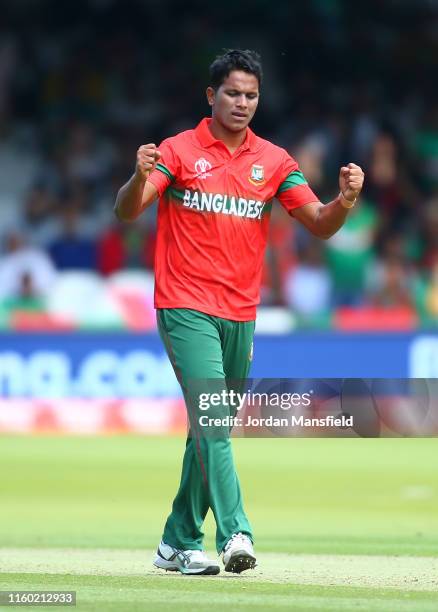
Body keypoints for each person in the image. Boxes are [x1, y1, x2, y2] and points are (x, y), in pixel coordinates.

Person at [114, 49, 364, 575]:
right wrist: (139, 177)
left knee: (210, 430)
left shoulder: (273, 162)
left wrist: (343, 201)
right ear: (211, 96)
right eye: (232, 93)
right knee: (214, 424)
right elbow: (129, 210)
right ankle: (235, 535)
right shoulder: (179, 152)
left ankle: (175, 542)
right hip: (185, 307)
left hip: (241, 315)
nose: (242, 103)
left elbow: (318, 222)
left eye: (251, 95)